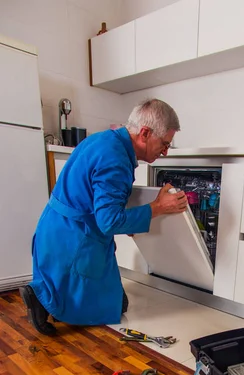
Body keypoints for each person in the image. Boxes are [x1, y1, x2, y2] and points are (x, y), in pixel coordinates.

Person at [20, 99, 187, 336]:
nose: (166, 151)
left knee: (105, 296)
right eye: (164, 143)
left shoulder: (104, 140)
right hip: (75, 240)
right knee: (116, 307)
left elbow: (99, 198)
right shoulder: (116, 160)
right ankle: (41, 299)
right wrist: (158, 207)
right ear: (145, 133)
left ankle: (48, 295)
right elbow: (108, 222)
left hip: (54, 229)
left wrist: (130, 217)